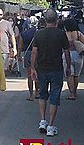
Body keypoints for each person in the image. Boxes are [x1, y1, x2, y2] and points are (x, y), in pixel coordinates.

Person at [30, 9, 71, 137]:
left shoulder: (39, 34)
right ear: (57, 20)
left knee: (42, 95)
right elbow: (66, 52)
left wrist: (32, 68)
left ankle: (43, 121)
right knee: (54, 96)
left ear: (45, 20)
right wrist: (68, 66)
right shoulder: (61, 34)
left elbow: (34, 52)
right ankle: (51, 126)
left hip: (42, 69)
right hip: (56, 69)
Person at [63, 19, 84, 100]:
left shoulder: (64, 34)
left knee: (69, 75)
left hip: (67, 55)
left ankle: (71, 94)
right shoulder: (78, 33)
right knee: (76, 75)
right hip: (78, 55)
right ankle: (75, 91)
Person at [18, 16, 39, 101]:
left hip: (27, 54)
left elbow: (20, 46)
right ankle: (37, 92)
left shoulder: (23, 33)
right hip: (37, 53)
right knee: (37, 73)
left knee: (30, 75)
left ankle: (31, 94)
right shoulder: (39, 32)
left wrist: (19, 55)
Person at [0, 8, 17, 75]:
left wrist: (14, 48)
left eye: (1, 14)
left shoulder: (7, 24)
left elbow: (12, 36)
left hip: (4, 50)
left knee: (4, 70)